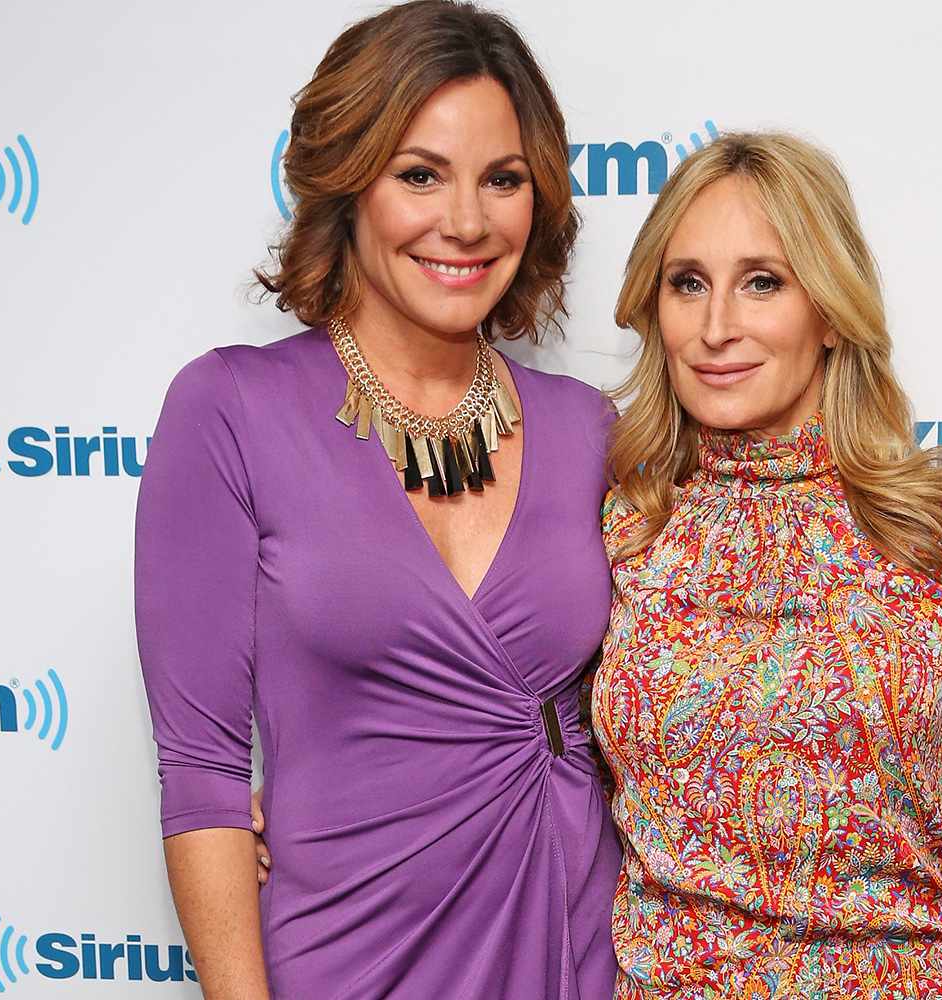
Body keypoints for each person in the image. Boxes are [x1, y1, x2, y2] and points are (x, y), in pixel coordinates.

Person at [133, 3, 620, 997]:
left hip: (572, 938)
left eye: (504, 179)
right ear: (347, 183)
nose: (469, 223)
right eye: (420, 174)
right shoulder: (229, 411)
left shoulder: (590, 432)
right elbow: (203, 771)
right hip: (346, 956)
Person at [591, 132, 942, 1000]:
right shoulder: (627, 527)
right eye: (688, 283)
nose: (717, 327)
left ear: (830, 311)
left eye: (764, 281)